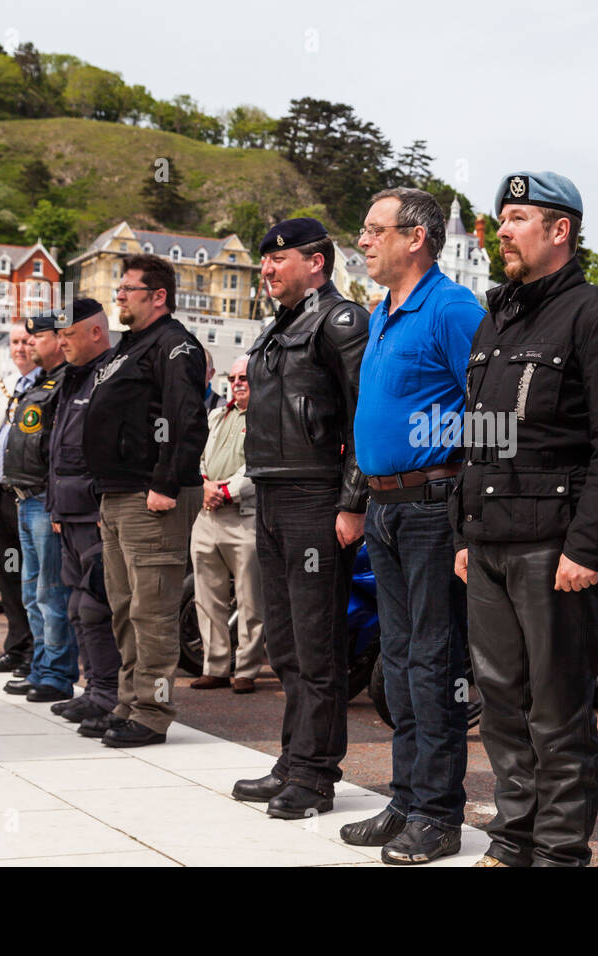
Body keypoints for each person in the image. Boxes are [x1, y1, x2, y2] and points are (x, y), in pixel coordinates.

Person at [452, 172, 598, 867]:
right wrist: (465, 533)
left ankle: (560, 853)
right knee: (500, 704)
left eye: (518, 217)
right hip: (490, 545)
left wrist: (586, 547)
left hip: (554, 549)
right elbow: (482, 436)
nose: (502, 229)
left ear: (560, 230)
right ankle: (512, 841)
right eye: (501, 218)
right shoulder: (494, 319)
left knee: (557, 712)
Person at [343, 188, 484, 864]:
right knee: (397, 664)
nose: (363, 241)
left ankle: (437, 814)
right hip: (384, 506)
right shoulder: (381, 313)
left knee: (433, 664)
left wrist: (467, 524)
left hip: (433, 508)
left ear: (418, 238)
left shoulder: (455, 310)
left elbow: (490, 424)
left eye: (374, 230)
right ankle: (404, 799)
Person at [231, 218, 369, 819]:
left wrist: (352, 501)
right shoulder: (278, 327)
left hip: (316, 498)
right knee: (284, 642)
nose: (266, 269)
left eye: (278, 259)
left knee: (317, 645)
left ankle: (316, 777)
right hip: (271, 494)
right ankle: (294, 758)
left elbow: (364, 415)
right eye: (264, 260)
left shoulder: (340, 321)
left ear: (316, 263)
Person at [82, 254, 207, 747]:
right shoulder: (129, 348)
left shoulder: (175, 346)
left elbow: (186, 419)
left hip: (151, 496)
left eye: (128, 289)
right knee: (125, 608)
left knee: (152, 613)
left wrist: (166, 484)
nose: (119, 296)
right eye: (119, 289)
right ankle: (129, 702)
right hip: (116, 495)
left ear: (158, 295)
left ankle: (152, 713)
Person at [50, 298, 124, 726]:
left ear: (95, 332)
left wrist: (103, 506)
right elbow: (58, 451)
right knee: (78, 606)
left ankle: (110, 694)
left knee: (98, 606)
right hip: (70, 513)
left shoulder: (112, 376)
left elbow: (112, 449)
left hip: (97, 514)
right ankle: (94, 688)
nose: (61, 344)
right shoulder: (72, 379)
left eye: (68, 335)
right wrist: (57, 505)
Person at [0, 314, 77, 704]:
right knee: (32, 593)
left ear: (59, 339)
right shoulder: (40, 382)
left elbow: (61, 445)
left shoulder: (67, 380)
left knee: (50, 592)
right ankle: (41, 667)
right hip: (24, 496)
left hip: (46, 499)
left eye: (38, 337)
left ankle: (57, 673)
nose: (29, 344)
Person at [189, 355, 266, 693]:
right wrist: (206, 487)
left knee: (251, 600)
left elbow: (257, 465)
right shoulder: (217, 415)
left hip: (244, 518)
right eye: (232, 377)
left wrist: (223, 491)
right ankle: (215, 667)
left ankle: (246, 671)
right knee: (207, 598)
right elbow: (200, 458)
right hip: (207, 516)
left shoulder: (266, 418)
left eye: (244, 377)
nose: (236, 382)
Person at [0, 321, 40, 675]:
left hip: (30, 497)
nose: (19, 347)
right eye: (14, 341)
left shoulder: (48, 386)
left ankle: (36, 652)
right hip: (0, 500)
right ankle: (16, 647)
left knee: (36, 578)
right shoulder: (3, 388)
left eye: (27, 341)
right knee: (9, 574)